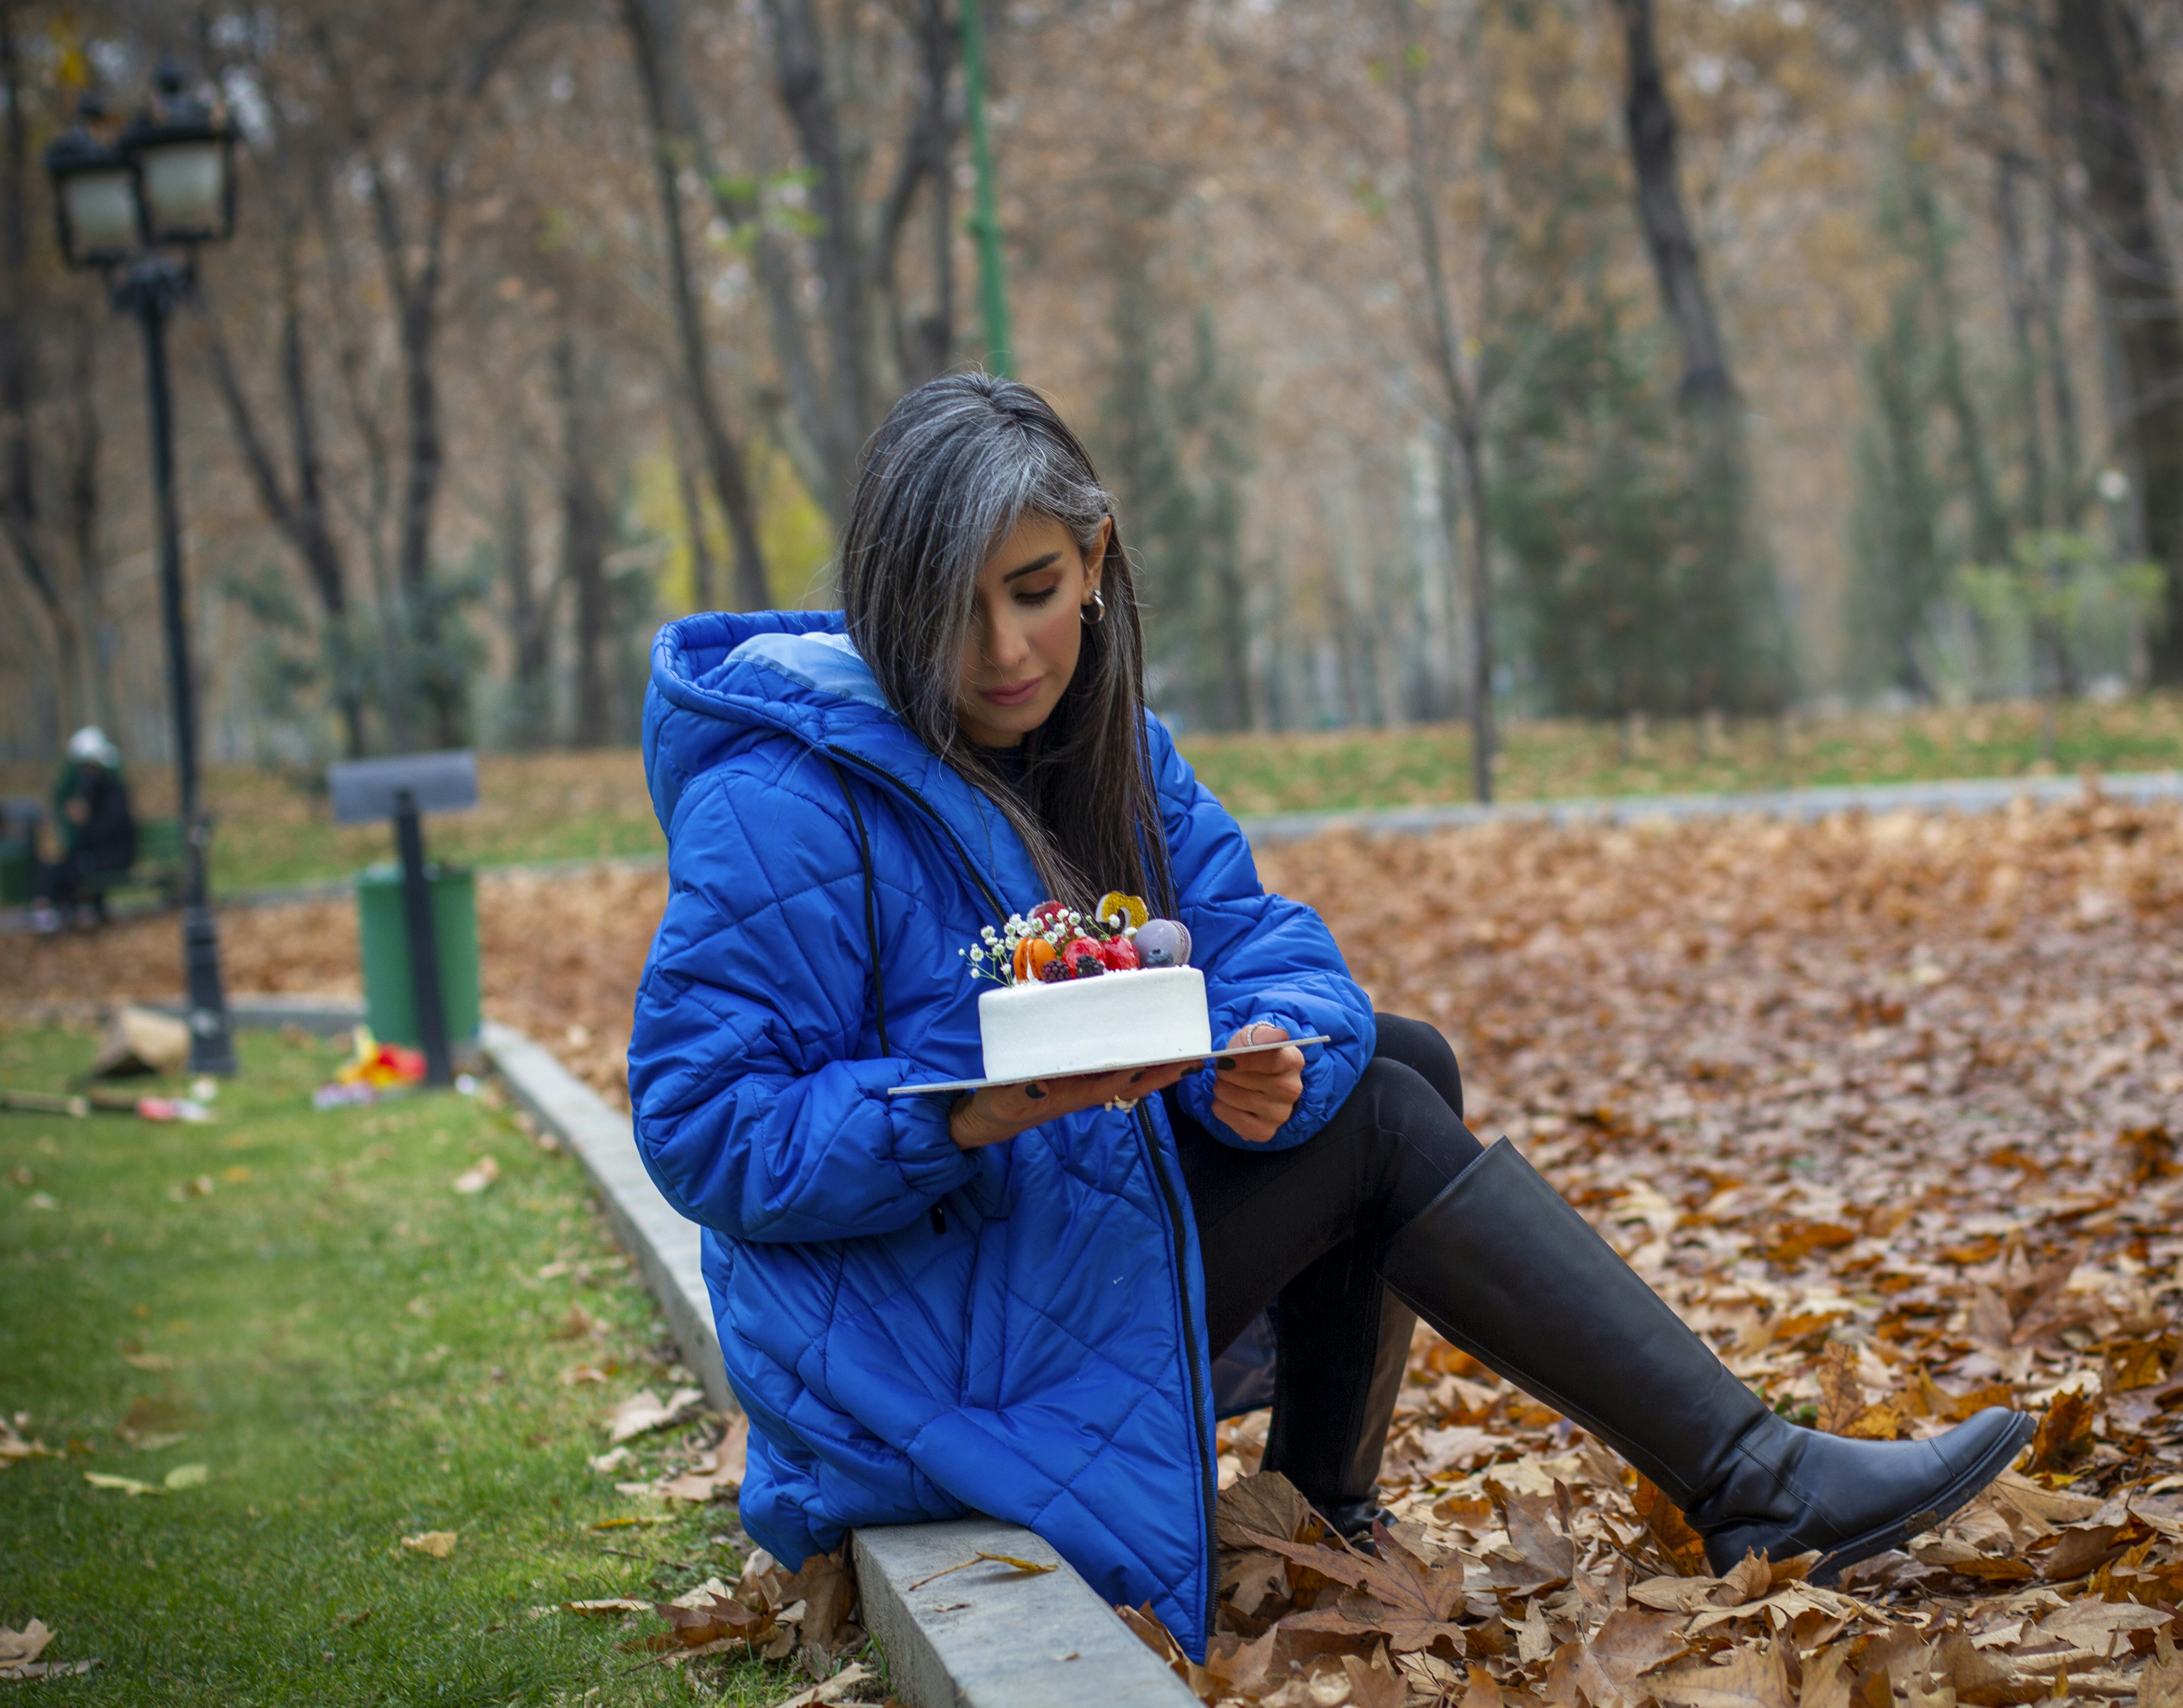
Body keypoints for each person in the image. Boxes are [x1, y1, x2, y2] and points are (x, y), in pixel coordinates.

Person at [628, 374, 2030, 1659]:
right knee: (1376, 1122)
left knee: (1388, 1062)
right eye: (953, 611)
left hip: (1018, 1262)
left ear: (1098, 563)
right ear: (886, 604)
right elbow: (700, 1128)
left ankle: (1321, 1510)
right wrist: (960, 1107)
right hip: (907, 1342)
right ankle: (1753, 1480)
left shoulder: (1109, 745)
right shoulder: (786, 799)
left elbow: (1271, 949)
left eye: (1037, 589)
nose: (1004, 650)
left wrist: (1257, 1061)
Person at [31, 726, 136, 934]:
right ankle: (55, 911)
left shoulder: (113, 792)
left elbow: (109, 830)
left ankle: (69, 911)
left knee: (73, 868)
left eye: (90, 768)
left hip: (115, 856)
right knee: (54, 866)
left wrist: (85, 821)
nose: (87, 773)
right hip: (98, 855)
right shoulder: (89, 792)